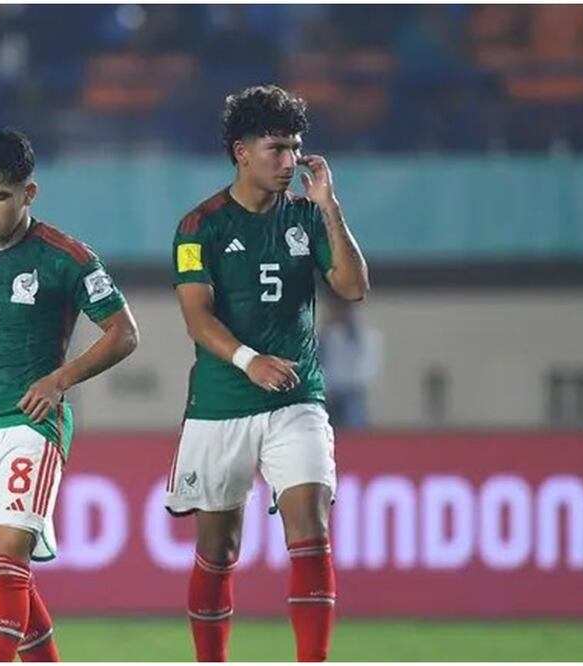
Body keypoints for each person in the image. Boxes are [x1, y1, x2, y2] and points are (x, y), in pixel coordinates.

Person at [0, 128, 139, 662]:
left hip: (34, 426)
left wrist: (61, 379)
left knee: (11, 561)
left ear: (28, 194)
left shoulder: (66, 257)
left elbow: (124, 333)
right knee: (2, 579)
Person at [165, 85, 368, 662]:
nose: (289, 161)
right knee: (218, 547)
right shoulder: (198, 226)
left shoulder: (306, 217)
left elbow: (353, 289)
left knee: (311, 528)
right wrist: (248, 360)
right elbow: (196, 316)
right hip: (222, 401)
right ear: (241, 151)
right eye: (277, 148)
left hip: (296, 398)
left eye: (296, 148)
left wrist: (330, 207)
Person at [318, 294, 382, 430]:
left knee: (352, 401)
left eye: (340, 310)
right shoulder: (323, 338)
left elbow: (368, 371)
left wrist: (341, 383)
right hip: (327, 391)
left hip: (350, 391)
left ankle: (356, 437)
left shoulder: (367, 337)